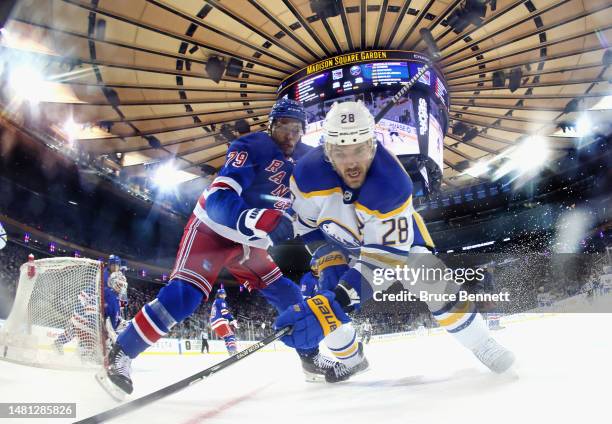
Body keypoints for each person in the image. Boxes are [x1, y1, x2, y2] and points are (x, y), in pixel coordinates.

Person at [99, 98, 342, 399]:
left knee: (290, 295)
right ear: (271, 126)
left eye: (296, 129)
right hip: (213, 230)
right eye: (283, 127)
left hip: (250, 242)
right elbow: (218, 199)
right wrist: (258, 222)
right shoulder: (253, 146)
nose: (290, 135)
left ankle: (310, 359)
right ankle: (122, 351)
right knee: (185, 296)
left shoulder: (306, 160)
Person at [282, 101, 515, 382]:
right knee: (323, 306)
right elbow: (306, 226)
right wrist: (327, 257)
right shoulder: (306, 174)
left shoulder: (392, 181)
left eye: (359, 150)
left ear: (373, 144)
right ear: (327, 150)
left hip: (394, 246)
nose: (352, 163)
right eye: (342, 152)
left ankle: (481, 342)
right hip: (341, 244)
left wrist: (342, 299)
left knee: (429, 276)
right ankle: (352, 360)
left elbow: (383, 259)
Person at [54, 255, 128, 359]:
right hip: (96, 305)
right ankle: (80, 349)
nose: (115, 268)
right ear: (109, 265)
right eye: (113, 265)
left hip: (105, 308)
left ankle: (89, 351)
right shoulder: (103, 275)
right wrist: (83, 300)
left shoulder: (119, 277)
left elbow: (123, 295)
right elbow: (92, 287)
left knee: (88, 328)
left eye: (117, 266)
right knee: (80, 326)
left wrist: (122, 306)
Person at [209, 288, 238, 355]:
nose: (225, 296)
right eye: (224, 294)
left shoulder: (215, 301)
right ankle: (233, 350)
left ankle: (230, 351)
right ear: (221, 295)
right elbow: (224, 312)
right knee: (230, 335)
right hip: (219, 321)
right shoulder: (221, 301)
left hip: (214, 324)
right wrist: (232, 319)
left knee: (226, 337)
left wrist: (229, 321)